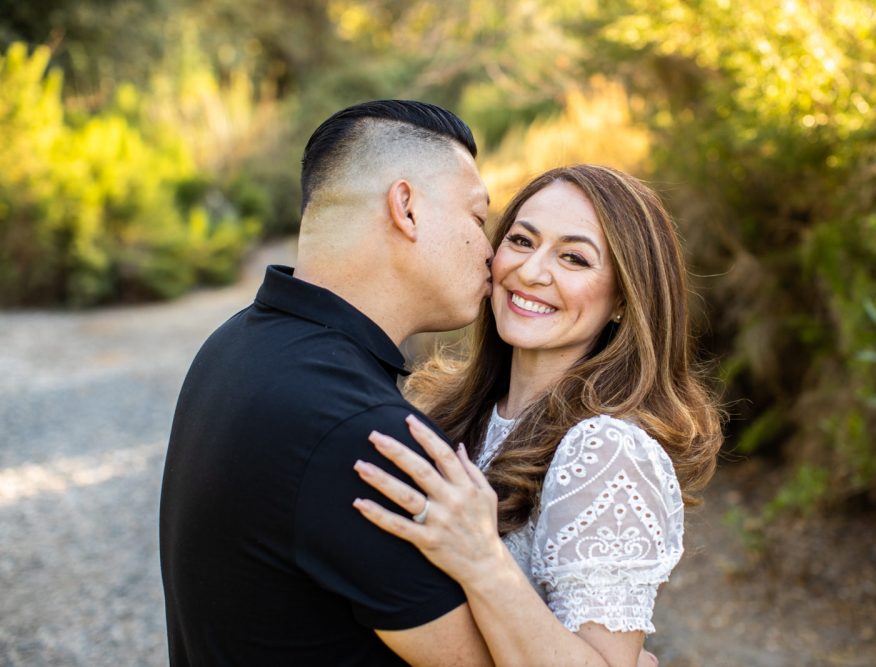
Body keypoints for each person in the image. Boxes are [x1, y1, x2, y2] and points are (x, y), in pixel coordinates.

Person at [159, 100, 499, 665]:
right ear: (407, 208)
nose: (490, 252)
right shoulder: (363, 433)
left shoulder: (236, 343)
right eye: (478, 219)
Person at [353, 165, 724, 666]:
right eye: (522, 241)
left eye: (573, 257)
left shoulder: (607, 449)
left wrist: (482, 561)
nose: (531, 272)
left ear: (622, 299)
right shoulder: (452, 409)